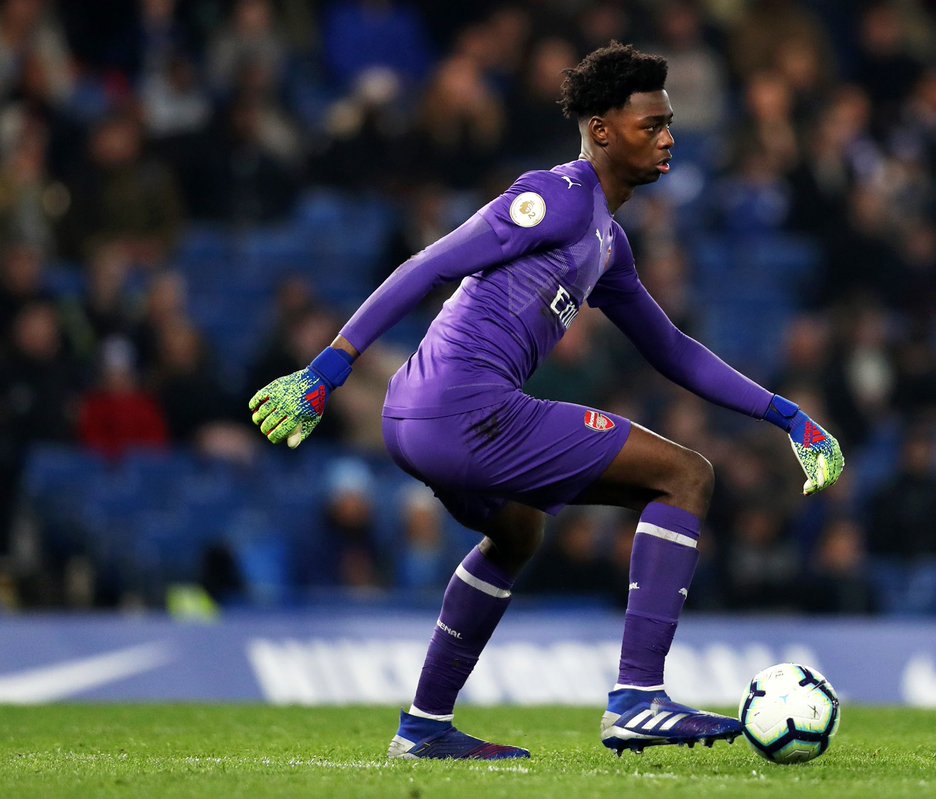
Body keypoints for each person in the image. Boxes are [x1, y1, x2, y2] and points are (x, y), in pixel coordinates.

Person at [248, 42, 844, 761]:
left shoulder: (608, 242)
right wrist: (327, 368)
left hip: (418, 419)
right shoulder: (557, 195)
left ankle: (424, 725)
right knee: (687, 474)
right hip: (462, 409)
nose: (668, 137)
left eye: (669, 123)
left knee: (520, 531)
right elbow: (430, 262)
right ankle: (638, 697)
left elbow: (672, 350)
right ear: (600, 129)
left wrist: (786, 414)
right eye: (651, 124)